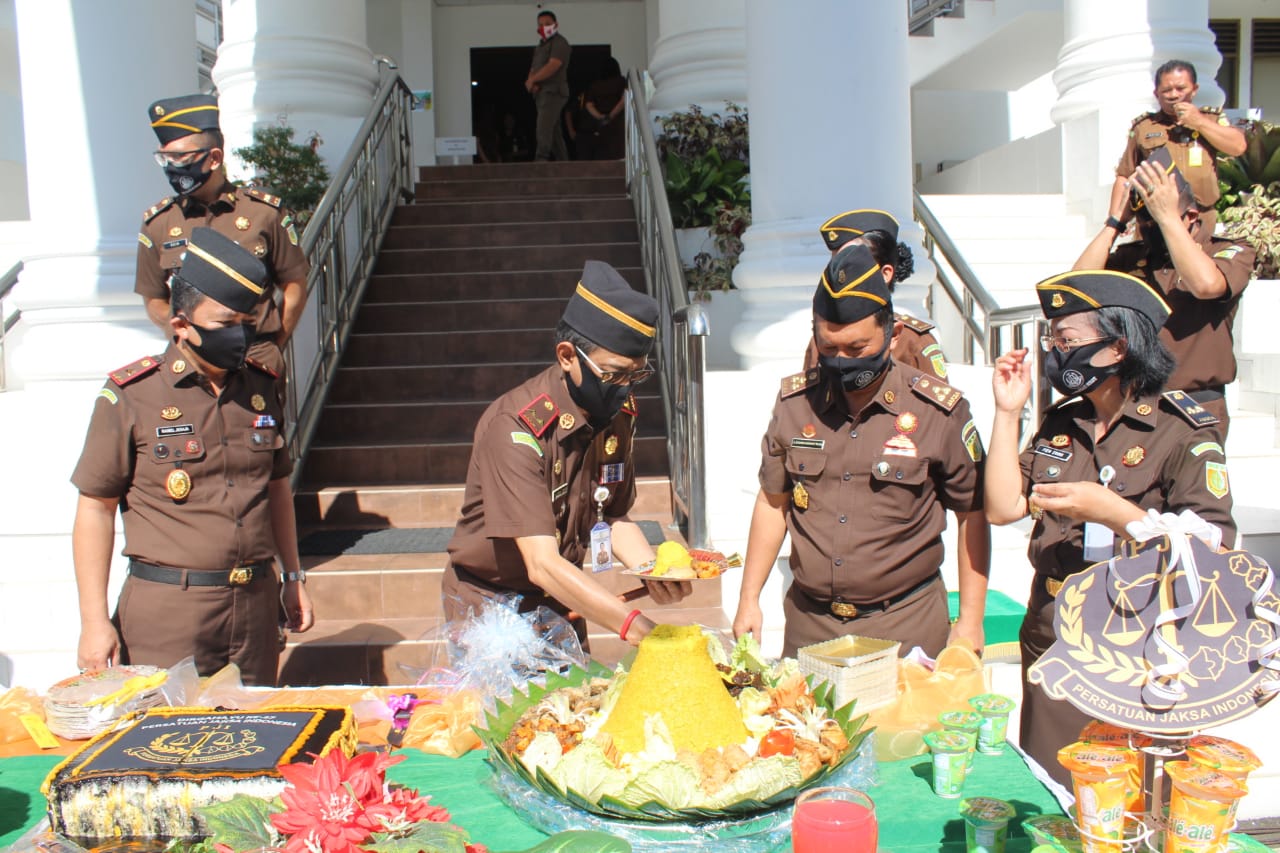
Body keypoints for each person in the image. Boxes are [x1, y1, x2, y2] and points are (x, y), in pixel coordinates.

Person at [986, 269, 1236, 787]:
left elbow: (1213, 548)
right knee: (1052, 793)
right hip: (1053, 633)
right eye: (1052, 341)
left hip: (1133, 646)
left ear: (1118, 347)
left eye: (1068, 341)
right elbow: (1004, 507)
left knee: (1126, 800)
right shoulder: (1063, 421)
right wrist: (1007, 413)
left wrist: (1115, 512)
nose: (1055, 354)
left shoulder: (1181, 430)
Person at [71, 228, 314, 686]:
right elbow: (95, 508)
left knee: (252, 744)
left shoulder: (260, 388)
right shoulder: (132, 396)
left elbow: (276, 488)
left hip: (254, 610)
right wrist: (93, 620)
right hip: (170, 613)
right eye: (225, 324)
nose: (240, 334)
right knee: (162, 749)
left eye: (247, 321)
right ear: (182, 325)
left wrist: (293, 576)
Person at [734, 244, 990, 658]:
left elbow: (971, 513)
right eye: (828, 348)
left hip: (905, 626)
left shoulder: (938, 412)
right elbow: (772, 501)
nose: (841, 361)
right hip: (811, 626)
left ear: (893, 335)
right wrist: (750, 597)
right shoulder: (796, 404)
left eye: (857, 349)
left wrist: (971, 621)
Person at [444, 261, 691, 648]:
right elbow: (541, 563)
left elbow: (612, 516)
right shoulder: (516, 428)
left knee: (569, 707)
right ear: (566, 356)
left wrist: (652, 570)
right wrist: (637, 628)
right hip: (493, 608)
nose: (624, 390)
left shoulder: (617, 414)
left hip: (564, 597)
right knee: (507, 710)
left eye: (636, 376)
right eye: (612, 375)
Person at [1075, 146, 1254, 432]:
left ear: (1192, 216)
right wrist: (1114, 223)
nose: (1150, 227)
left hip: (1193, 406)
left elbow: (1207, 285)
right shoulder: (1133, 257)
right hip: (1134, 403)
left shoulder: (1228, 251)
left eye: (1156, 219)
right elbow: (1079, 286)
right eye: (1145, 221)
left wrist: (1168, 218)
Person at [137, 94, 310, 378]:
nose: (172, 167)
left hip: (254, 358)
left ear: (214, 158)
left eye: (180, 157)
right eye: (164, 158)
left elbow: (294, 283)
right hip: (190, 362)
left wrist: (275, 344)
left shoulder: (263, 214)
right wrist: (185, 333)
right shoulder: (159, 223)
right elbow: (153, 297)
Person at [804, 209, 950, 382]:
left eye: (853, 265)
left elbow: (934, 407)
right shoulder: (821, 340)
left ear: (885, 273)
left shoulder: (915, 343)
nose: (839, 275)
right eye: (835, 265)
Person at [1106, 59, 1246, 235]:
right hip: (1155, 221)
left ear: (1194, 89)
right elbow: (1124, 174)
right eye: (1166, 90)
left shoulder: (1211, 119)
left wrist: (1198, 122)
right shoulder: (1144, 127)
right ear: (1156, 93)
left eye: (1181, 88)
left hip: (1202, 220)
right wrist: (1115, 220)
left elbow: (1238, 146)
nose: (1173, 95)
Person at [526, 10, 571, 162]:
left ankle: (541, 159)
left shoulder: (560, 43)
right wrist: (531, 81)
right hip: (541, 93)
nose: (544, 27)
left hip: (553, 92)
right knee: (553, 130)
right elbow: (534, 68)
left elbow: (554, 65)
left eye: (547, 24)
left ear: (556, 25)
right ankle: (563, 162)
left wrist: (533, 80)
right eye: (540, 25)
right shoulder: (539, 47)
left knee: (543, 126)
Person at [579, 57, 627, 161]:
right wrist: (611, 115)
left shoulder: (595, 85)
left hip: (602, 124)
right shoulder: (621, 81)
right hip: (618, 121)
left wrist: (601, 117)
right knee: (619, 152)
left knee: (604, 152)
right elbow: (624, 100)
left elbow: (589, 105)